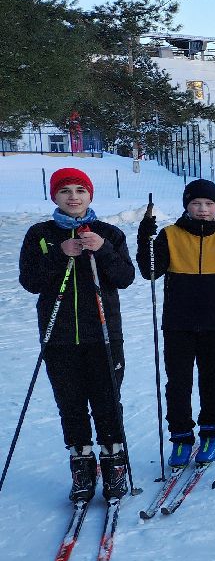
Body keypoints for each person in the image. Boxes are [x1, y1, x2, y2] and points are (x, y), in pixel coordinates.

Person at [18, 167, 136, 501]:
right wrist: (60, 253)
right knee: (70, 403)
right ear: (54, 196)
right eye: (65, 190)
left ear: (90, 195)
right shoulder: (40, 234)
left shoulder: (109, 233)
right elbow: (30, 281)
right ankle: (82, 465)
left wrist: (103, 249)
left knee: (107, 401)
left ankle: (114, 465)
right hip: (59, 336)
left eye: (80, 190)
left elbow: (125, 278)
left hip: (104, 335)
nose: (73, 197)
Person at [136, 178, 215, 469]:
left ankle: (210, 432)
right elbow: (150, 272)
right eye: (196, 203)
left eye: (209, 204)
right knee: (178, 382)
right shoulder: (170, 234)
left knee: (213, 380)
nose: (203, 209)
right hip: (178, 322)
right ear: (186, 206)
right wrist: (145, 239)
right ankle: (180, 436)